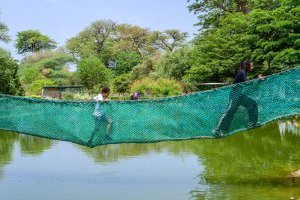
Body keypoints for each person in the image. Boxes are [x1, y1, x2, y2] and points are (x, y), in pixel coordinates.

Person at [213, 60, 262, 137]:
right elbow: (248, 83)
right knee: (230, 112)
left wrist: (257, 79)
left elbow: (247, 82)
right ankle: (217, 130)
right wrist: (257, 79)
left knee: (253, 103)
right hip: (235, 95)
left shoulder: (244, 73)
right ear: (247, 66)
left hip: (240, 95)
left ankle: (252, 123)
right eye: (251, 66)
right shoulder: (241, 72)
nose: (252, 67)